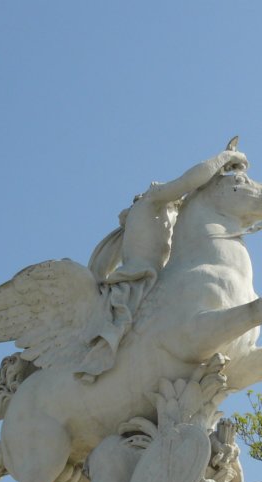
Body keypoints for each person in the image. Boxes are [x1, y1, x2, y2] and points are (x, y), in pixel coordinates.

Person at [77, 144, 249, 380]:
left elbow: (194, 191)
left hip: (163, 278)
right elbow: (188, 182)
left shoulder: (168, 216)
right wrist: (225, 157)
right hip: (140, 282)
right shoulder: (149, 201)